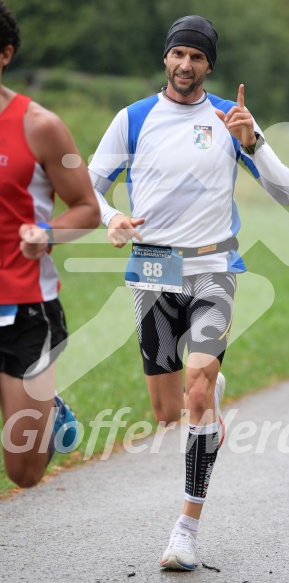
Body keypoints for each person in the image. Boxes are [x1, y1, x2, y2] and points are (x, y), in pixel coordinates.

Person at [89, 15, 289, 570]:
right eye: (178, 54)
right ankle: (207, 392)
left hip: (213, 267)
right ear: (166, 58)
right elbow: (90, 186)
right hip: (153, 270)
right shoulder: (133, 119)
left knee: (197, 394)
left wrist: (254, 141)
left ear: (210, 65)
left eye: (197, 58)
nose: (186, 65)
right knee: (164, 412)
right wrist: (110, 218)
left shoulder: (231, 120)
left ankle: (185, 530)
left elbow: (288, 192)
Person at [0, 1, 100, 489]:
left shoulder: (40, 125)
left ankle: (50, 412)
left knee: (23, 472)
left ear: (5, 54)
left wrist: (49, 234)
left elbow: (86, 207)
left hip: (27, 309)